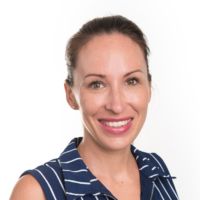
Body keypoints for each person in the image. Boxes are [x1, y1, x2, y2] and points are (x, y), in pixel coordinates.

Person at [10, 15, 179, 200]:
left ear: (148, 88)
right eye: (97, 84)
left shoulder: (156, 170)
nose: (116, 105)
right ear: (70, 95)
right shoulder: (37, 192)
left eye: (131, 81)